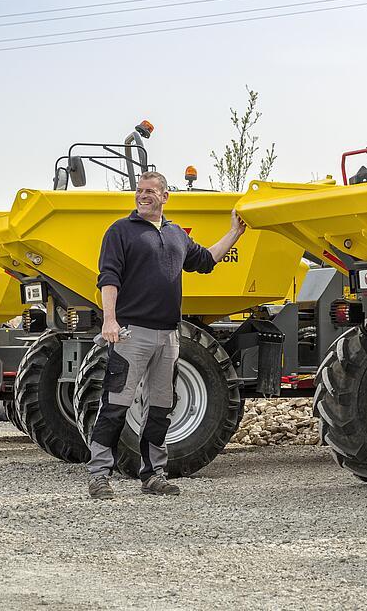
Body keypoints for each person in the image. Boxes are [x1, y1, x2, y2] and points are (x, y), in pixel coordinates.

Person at [87, 170, 245, 499]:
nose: (142, 196)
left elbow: (207, 260)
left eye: (149, 191)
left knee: (161, 408)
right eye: (139, 190)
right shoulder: (120, 231)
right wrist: (109, 320)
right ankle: (99, 475)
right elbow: (108, 277)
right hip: (131, 334)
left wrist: (235, 232)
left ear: (164, 196)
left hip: (169, 336)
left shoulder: (176, 235)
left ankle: (153, 474)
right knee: (115, 405)